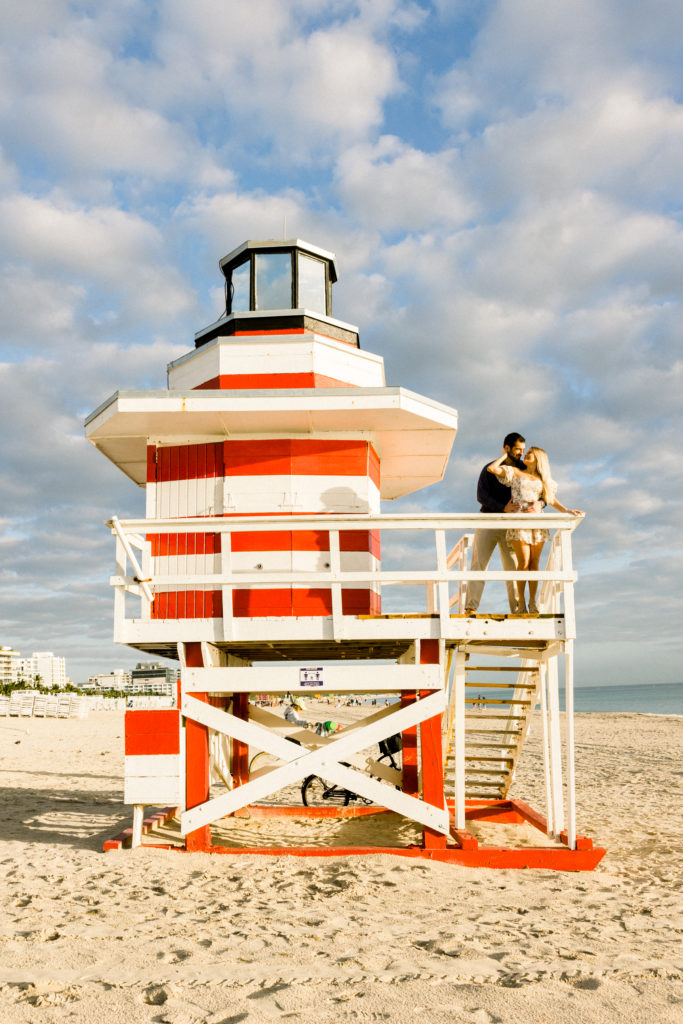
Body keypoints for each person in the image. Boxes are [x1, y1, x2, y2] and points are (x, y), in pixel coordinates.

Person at [487, 446, 583, 614]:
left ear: (538, 458)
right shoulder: (516, 472)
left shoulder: (544, 480)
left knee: (534, 563)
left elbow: (551, 500)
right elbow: (492, 469)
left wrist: (567, 510)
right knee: (523, 563)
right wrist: (504, 456)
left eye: (530, 453)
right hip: (519, 520)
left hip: (537, 522)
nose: (526, 454)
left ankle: (532, 602)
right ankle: (521, 603)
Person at [465, 432, 539, 615]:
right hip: (488, 521)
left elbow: (541, 488)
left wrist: (541, 503)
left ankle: (517, 609)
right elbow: (481, 496)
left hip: (512, 525)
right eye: (517, 449)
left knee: (513, 567)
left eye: (523, 449)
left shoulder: (524, 468)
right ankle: (471, 607)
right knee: (479, 564)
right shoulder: (489, 469)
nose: (521, 453)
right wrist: (502, 507)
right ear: (507, 448)